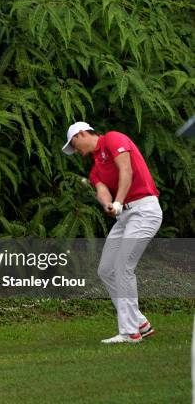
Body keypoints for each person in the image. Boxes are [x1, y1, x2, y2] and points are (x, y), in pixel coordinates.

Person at [62, 121, 162, 344]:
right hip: (124, 215)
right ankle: (140, 323)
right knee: (106, 269)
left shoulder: (113, 139)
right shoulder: (95, 169)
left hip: (145, 210)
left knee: (123, 267)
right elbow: (102, 191)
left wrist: (118, 201)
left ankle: (129, 333)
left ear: (82, 133)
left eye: (74, 144)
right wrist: (109, 204)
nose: (75, 150)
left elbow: (125, 169)